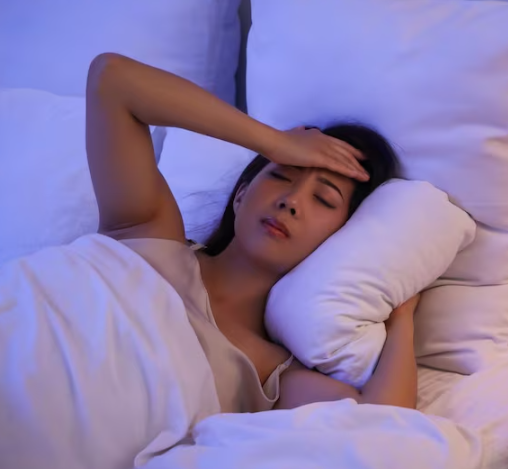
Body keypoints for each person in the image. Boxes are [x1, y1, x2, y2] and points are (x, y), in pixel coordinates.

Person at [86, 53, 420, 414]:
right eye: (281, 175)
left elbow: (382, 420)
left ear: (341, 240)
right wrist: (275, 143)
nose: (291, 201)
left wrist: (402, 317)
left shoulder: (267, 370)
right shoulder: (149, 236)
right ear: (241, 195)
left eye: (323, 200)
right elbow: (113, 79)